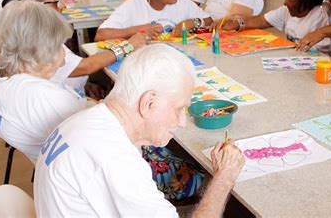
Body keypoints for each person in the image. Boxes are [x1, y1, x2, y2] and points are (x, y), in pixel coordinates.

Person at [35, 44, 245, 217]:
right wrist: (224, 176)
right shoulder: (116, 159)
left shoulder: (86, 119)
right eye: (179, 109)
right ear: (148, 103)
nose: (182, 122)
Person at [1, 0, 148, 97]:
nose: (62, 6)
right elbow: (86, 66)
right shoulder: (37, 43)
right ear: (39, 7)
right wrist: (127, 46)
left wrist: (83, 86)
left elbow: (65, 73)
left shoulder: (30, 33)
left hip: (71, 94)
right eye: (56, 1)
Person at [0, 0, 89, 161]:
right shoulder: (46, 97)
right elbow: (92, 137)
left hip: (50, 154)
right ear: (40, 48)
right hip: (74, 161)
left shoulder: (8, 81)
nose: (63, 59)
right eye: (60, 46)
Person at [219, 0, 331, 54]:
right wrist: (236, 23)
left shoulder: (322, 14)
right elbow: (262, 20)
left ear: (305, 0)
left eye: (291, 0)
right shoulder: (287, 10)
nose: (285, 3)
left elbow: (322, 55)